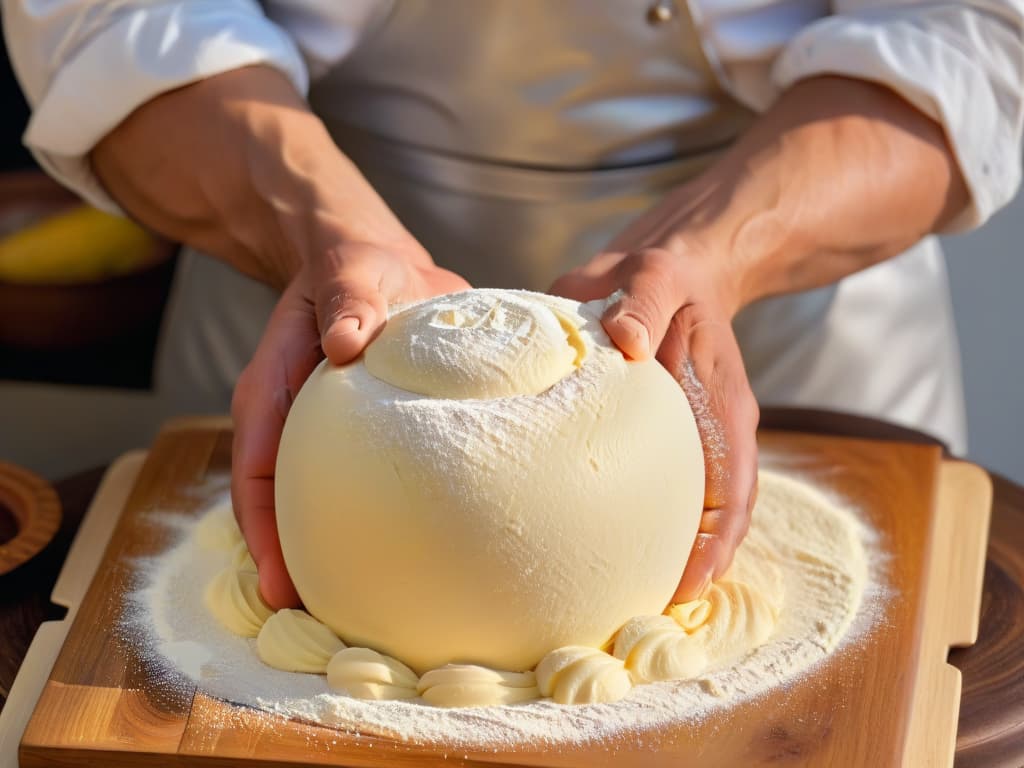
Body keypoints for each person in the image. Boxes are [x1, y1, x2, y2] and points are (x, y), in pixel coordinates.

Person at [6, 1, 1022, 611]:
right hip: (300, 277)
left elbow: (969, 31)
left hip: (784, 319)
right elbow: (111, 17)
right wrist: (323, 231)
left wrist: (717, 249)